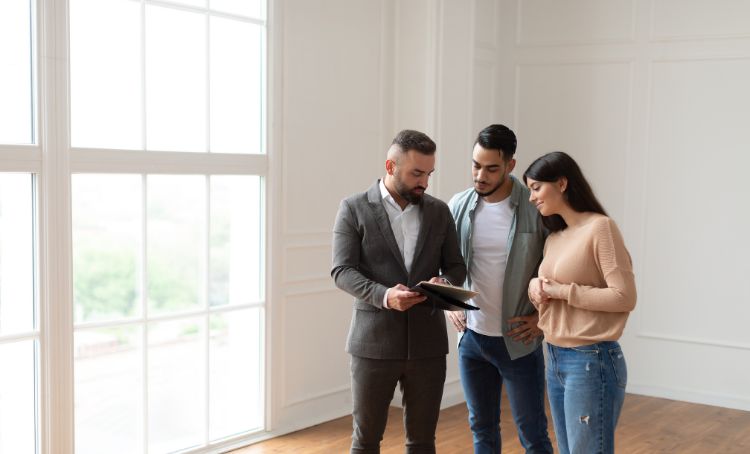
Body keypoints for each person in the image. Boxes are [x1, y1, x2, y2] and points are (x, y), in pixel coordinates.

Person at [331, 129, 467, 454]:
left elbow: (456, 266)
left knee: (422, 443)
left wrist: (445, 283)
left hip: (428, 347)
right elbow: (342, 271)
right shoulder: (353, 208)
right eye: (417, 173)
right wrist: (384, 296)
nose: (425, 182)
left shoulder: (439, 211)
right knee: (365, 443)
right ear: (391, 167)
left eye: (429, 173)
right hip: (372, 344)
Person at [447, 124, 553, 454]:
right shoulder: (459, 206)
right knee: (481, 428)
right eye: (476, 165)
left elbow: (557, 272)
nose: (480, 175)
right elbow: (445, 265)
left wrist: (541, 320)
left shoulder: (534, 210)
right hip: (473, 341)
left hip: (518, 343)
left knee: (532, 433)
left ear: (510, 165)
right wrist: (451, 303)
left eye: (491, 168)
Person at [524, 151, 637, 454]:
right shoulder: (554, 237)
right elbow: (548, 286)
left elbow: (624, 297)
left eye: (536, 187)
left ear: (561, 183)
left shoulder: (601, 228)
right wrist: (535, 285)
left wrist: (560, 290)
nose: (532, 197)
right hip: (556, 356)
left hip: (591, 358)